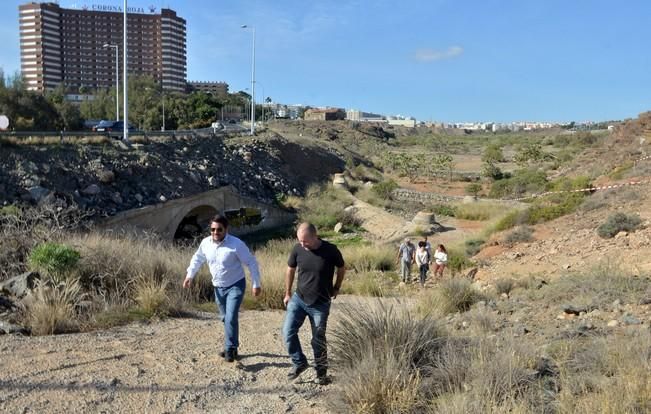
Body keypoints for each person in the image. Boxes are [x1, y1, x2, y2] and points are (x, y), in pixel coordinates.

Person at [183, 214, 261, 363]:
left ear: (226, 229)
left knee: (231, 317)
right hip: (218, 286)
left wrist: (256, 283)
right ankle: (233, 346)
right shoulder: (206, 243)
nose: (215, 233)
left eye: (219, 230)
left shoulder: (236, 244)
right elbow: (197, 258)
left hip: (236, 285)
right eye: (212, 229)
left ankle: (230, 348)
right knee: (225, 319)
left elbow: (251, 262)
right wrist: (190, 275)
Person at [282, 222, 345, 386]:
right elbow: (290, 269)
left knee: (318, 339)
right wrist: (288, 293)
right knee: (288, 332)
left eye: (305, 241)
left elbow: (342, 268)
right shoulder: (297, 249)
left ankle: (321, 373)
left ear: (315, 236)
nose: (302, 245)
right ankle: (299, 362)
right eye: (300, 241)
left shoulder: (331, 250)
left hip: (321, 304)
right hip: (299, 299)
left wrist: (337, 287)